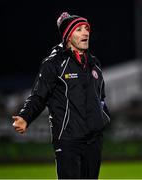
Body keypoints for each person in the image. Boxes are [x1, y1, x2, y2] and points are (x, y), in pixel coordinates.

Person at [12, 12, 110, 179]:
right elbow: (39, 96)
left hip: (94, 141)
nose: (85, 33)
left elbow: (100, 97)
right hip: (68, 140)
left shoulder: (94, 63)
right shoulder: (54, 63)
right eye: (79, 29)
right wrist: (25, 117)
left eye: (86, 28)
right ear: (68, 35)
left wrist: (103, 118)